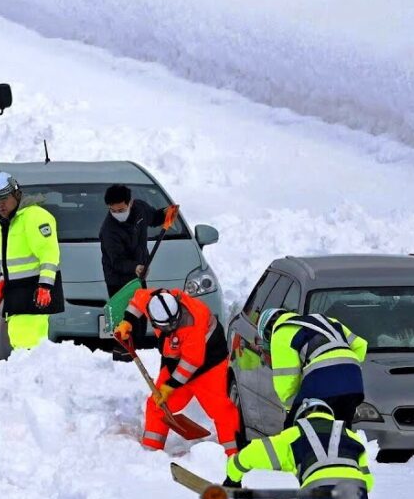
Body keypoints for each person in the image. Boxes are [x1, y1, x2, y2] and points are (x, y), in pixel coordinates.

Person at [225, 398, 386, 499]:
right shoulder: (351, 436)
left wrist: (232, 478)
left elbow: (250, 454)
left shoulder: (294, 434)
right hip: (353, 496)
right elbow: (368, 482)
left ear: (300, 418)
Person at [115, 288, 239, 455]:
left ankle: (234, 456)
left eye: (175, 322)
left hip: (210, 366)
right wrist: (127, 322)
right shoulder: (155, 301)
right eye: (168, 325)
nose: (174, 326)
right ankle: (151, 453)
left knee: (223, 410)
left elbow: (192, 362)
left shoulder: (194, 319)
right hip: (175, 361)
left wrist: (169, 386)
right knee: (157, 404)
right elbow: (137, 299)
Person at [100, 184, 179, 360]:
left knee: (141, 316)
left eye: (121, 209)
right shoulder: (109, 230)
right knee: (125, 318)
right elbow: (116, 261)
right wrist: (135, 267)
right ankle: (123, 356)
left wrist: (167, 212)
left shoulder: (140, 210)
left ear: (131, 203)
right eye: (113, 210)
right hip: (118, 278)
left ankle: (139, 352)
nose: (117, 213)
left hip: (138, 274)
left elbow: (155, 218)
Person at [257, 308, 368, 428]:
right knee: (341, 432)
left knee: (295, 432)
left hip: (321, 382)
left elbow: (286, 380)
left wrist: (292, 408)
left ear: (268, 332)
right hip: (353, 383)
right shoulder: (326, 320)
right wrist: (345, 369)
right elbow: (361, 345)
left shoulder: (281, 332)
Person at [0, 172, 64, 351]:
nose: (1, 204)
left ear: (16, 194)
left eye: (5, 199)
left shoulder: (34, 216)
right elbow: (7, 256)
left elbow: (49, 253)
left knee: (30, 346)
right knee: (18, 341)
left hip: (35, 293)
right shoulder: (2, 222)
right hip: (15, 291)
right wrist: (3, 278)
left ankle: (32, 377)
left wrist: (45, 287)